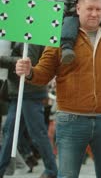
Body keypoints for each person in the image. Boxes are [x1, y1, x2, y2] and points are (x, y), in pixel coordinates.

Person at [15, 0, 101, 178]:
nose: (94, 14)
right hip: (71, 120)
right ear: (78, 8)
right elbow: (43, 74)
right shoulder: (62, 36)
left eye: (98, 9)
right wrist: (29, 72)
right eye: (89, 9)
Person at [0, 43, 58, 178]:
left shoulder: (29, 38)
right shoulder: (22, 37)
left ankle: (51, 170)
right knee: (9, 132)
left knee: (36, 133)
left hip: (28, 92)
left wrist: (2, 59)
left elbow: (28, 64)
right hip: (22, 93)